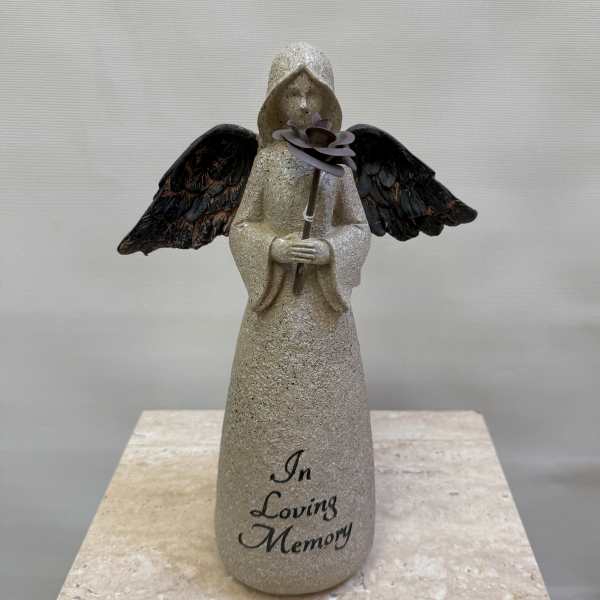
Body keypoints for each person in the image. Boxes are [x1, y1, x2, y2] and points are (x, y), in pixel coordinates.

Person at [214, 41, 375, 595]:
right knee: (268, 412)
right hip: (273, 316)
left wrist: (329, 251)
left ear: (328, 100)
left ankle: (337, 525)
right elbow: (241, 226)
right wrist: (274, 247)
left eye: (312, 93)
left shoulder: (337, 165)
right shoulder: (265, 162)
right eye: (293, 93)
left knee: (324, 416)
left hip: (325, 322)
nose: (303, 104)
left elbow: (358, 227)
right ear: (275, 101)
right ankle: (254, 530)